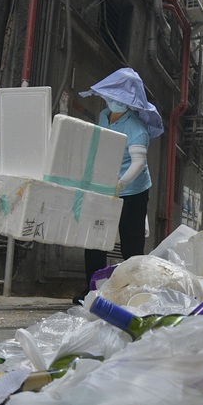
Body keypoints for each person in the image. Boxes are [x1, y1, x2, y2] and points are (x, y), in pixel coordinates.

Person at [76, 67, 164, 302]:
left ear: (129, 102)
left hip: (133, 190)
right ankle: (92, 290)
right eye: (112, 97)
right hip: (104, 185)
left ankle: (132, 292)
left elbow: (138, 162)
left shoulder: (136, 129)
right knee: (95, 238)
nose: (114, 102)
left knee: (130, 244)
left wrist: (121, 184)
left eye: (120, 99)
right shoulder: (104, 116)